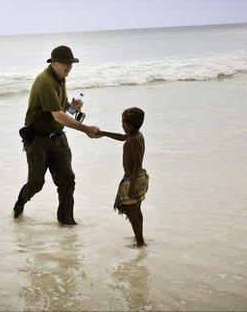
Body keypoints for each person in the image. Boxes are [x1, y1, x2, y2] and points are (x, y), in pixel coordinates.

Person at [13, 45, 100, 226]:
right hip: (37, 140)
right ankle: (18, 206)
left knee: (68, 181)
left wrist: (72, 106)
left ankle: (67, 223)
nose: (68, 68)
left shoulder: (61, 78)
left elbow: (62, 108)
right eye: (64, 64)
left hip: (58, 137)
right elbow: (58, 115)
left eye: (70, 64)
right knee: (36, 184)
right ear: (53, 63)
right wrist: (86, 130)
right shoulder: (45, 81)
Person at [97, 107, 148, 247]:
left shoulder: (133, 140)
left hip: (133, 179)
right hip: (140, 177)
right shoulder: (136, 135)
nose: (122, 125)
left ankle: (140, 242)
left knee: (132, 212)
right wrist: (103, 133)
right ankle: (139, 237)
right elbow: (121, 137)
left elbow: (137, 163)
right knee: (137, 209)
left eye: (123, 123)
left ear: (129, 125)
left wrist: (131, 186)